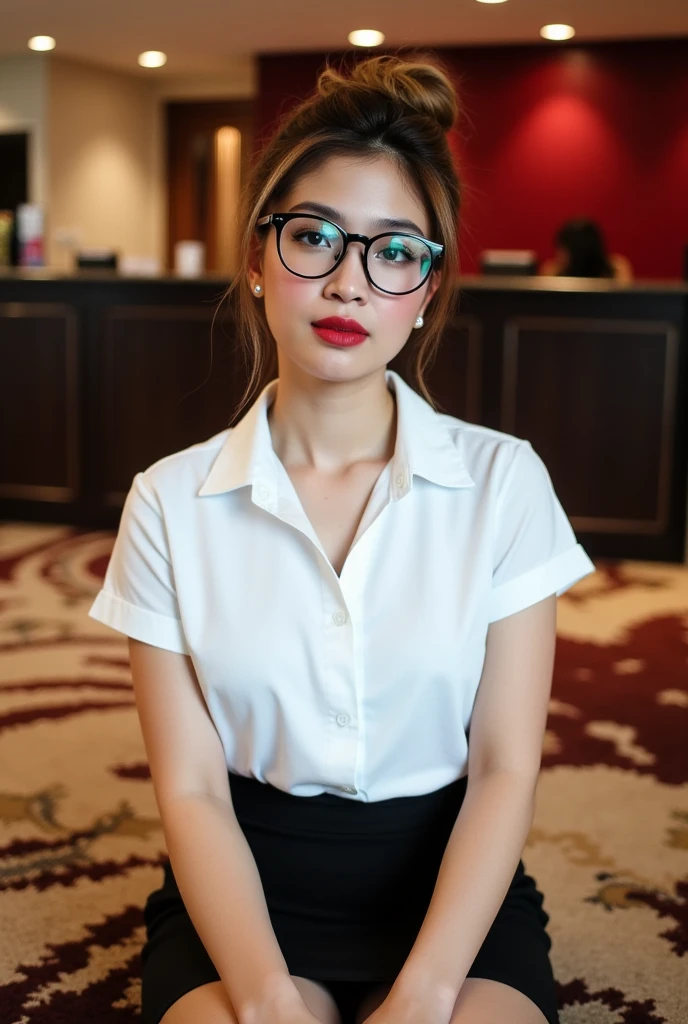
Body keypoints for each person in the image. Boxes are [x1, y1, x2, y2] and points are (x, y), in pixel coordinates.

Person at [88, 53, 596, 1024]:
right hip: (244, 885)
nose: (348, 283)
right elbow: (191, 789)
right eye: (313, 236)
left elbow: (503, 768)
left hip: (451, 885)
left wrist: (428, 990)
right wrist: (267, 993)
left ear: (426, 288)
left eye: (393, 250)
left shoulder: (503, 482)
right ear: (255, 257)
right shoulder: (166, 501)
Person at [540, 218, 633, 281]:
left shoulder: (617, 269)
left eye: (562, 250)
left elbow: (624, 305)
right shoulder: (553, 271)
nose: (558, 255)